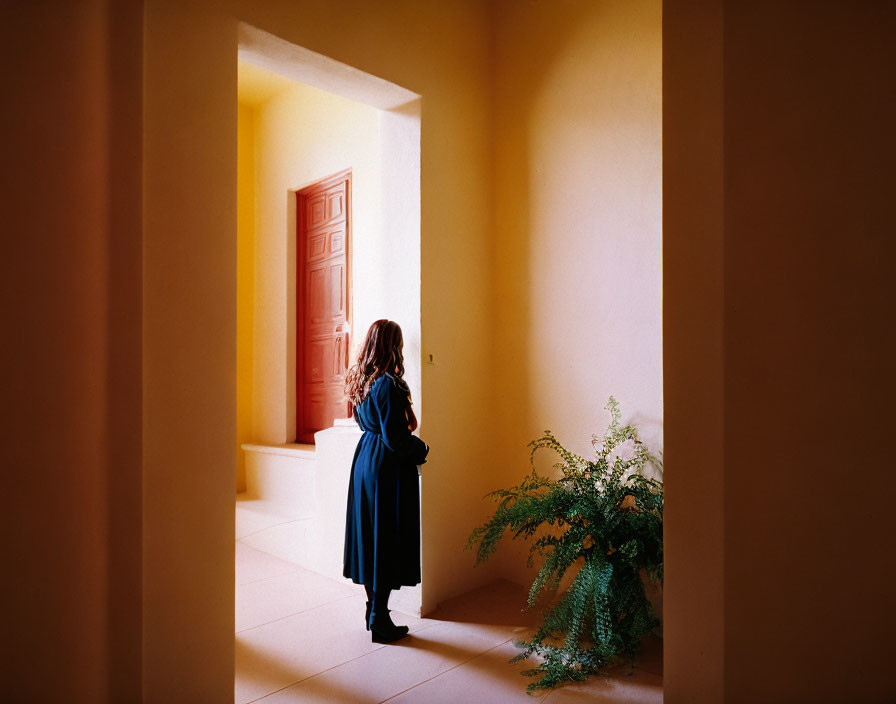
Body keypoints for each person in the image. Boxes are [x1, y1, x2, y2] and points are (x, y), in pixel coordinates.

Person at [342, 319, 429, 643]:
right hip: (386, 468)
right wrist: (422, 449)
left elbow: (368, 424)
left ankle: (373, 611)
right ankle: (380, 618)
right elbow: (396, 437)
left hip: (364, 460)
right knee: (387, 540)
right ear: (393, 345)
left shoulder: (360, 381)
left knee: (371, 538)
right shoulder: (389, 384)